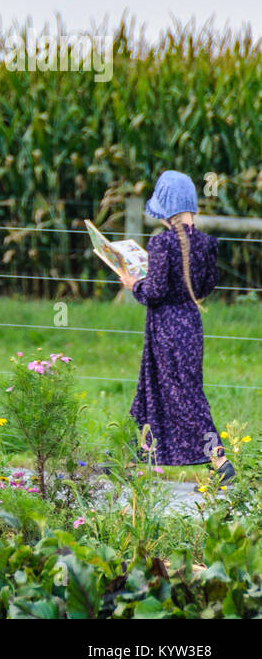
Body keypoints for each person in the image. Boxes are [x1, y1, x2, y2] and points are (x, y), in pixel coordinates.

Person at [118, 170, 232, 481]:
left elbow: (154, 292)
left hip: (164, 328)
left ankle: (219, 459)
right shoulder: (207, 243)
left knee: (184, 397)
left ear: (164, 207)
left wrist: (133, 284)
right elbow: (206, 286)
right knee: (158, 390)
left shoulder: (161, 243)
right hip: (190, 325)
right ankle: (130, 458)